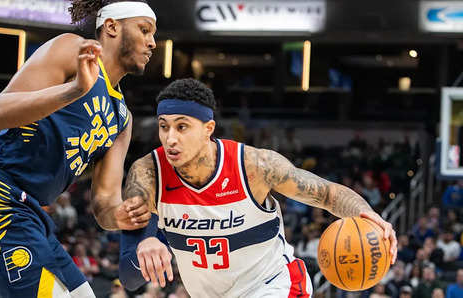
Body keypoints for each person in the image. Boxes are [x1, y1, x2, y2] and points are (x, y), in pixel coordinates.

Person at [0, 0, 156, 298]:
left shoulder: (122, 118)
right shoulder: (71, 49)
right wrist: (73, 91)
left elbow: (103, 202)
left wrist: (121, 214)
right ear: (112, 27)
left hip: (31, 214)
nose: (152, 43)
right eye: (144, 30)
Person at [118, 79, 398, 297]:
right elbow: (128, 276)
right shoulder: (148, 172)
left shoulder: (255, 166)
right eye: (164, 127)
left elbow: (329, 194)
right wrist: (146, 240)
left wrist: (366, 213)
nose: (170, 139)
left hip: (274, 286)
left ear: (208, 129)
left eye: (182, 127)